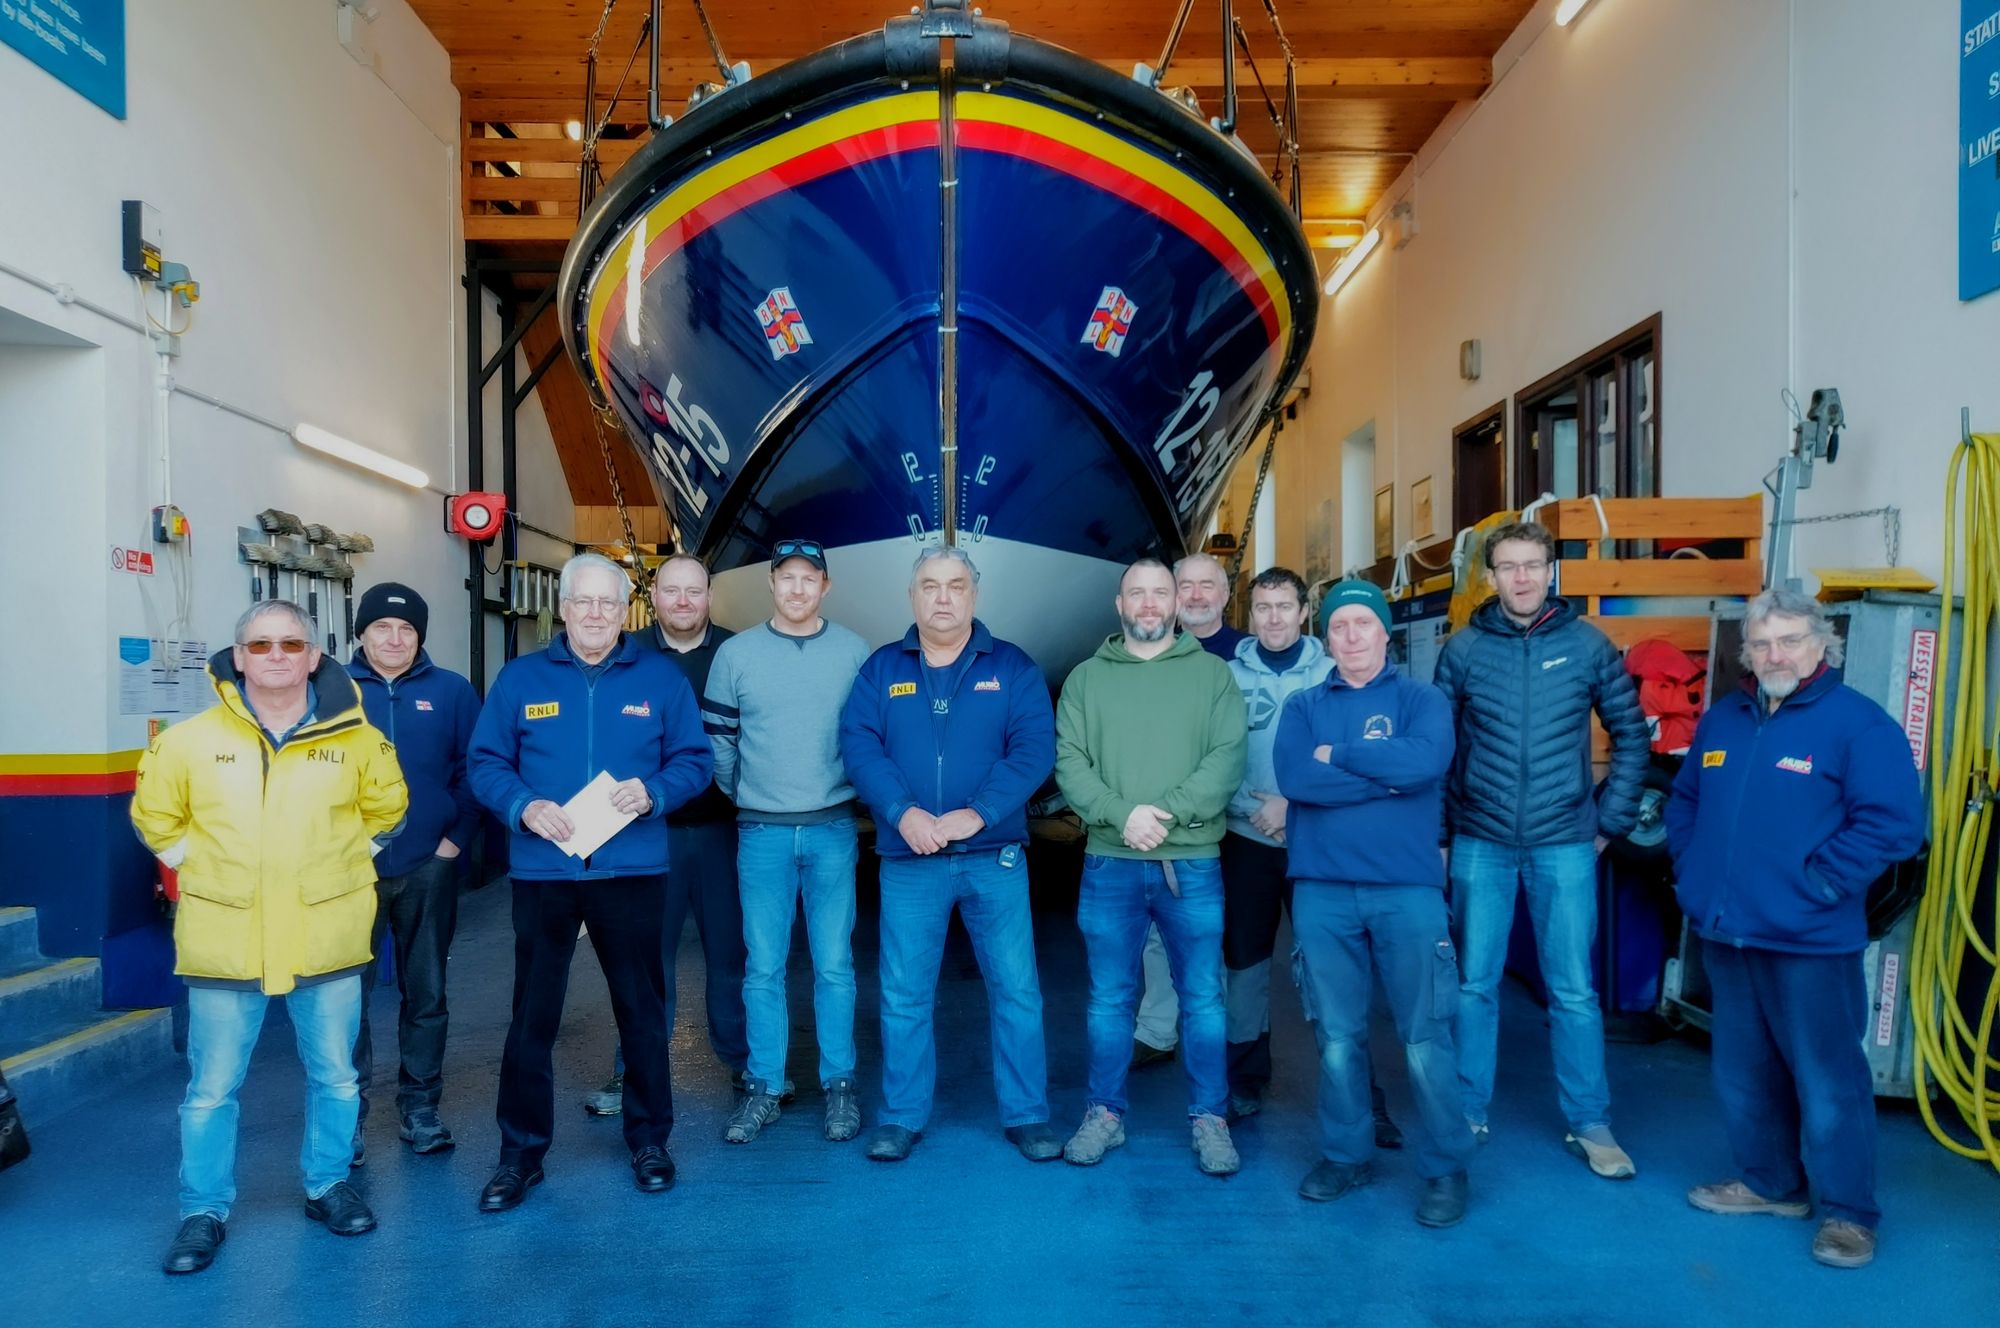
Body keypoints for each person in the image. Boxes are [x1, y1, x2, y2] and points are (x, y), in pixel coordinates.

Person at [133, 600, 409, 1274]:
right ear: (239, 657)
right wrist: (201, 867)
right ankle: (202, 1210)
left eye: (293, 643)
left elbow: (389, 807)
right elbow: (156, 818)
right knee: (211, 1087)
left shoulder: (359, 739)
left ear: (315, 656)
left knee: (337, 1077)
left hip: (325, 932)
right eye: (261, 646)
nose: (278, 656)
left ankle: (327, 1186)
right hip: (226, 937)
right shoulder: (188, 741)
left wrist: (344, 864)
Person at [1667, 588, 1923, 1270]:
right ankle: (1771, 1184)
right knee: (1744, 1072)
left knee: (1827, 1079)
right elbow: (1686, 799)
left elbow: (1894, 824)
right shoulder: (1725, 718)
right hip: (1728, 932)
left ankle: (1849, 1213)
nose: (1775, 653)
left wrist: (1820, 885)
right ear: (1746, 651)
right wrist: (1694, 874)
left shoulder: (1858, 725)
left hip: (1811, 941)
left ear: (1821, 646)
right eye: (1762, 642)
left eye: (1790, 640)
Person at [466, 553, 713, 1212]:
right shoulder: (520, 680)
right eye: (585, 602)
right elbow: (485, 761)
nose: (597, 614)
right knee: (532, 1019)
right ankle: (519, 1155)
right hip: (544, 871)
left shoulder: (660, 680)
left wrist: (654, 792)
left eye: (609, 603)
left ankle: (650, 1140)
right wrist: (522, 805)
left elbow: (696, 760)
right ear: (564, 608)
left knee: (641, 1011)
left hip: (630, 871)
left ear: (623, 610)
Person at [1432, 520, 1650, 1178]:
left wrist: (1606, 823)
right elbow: (1440, 753)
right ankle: (1468, 1110)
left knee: (1574, 990)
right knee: (1474, 985)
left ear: (1551, 571)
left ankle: (1590, 1122)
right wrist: (1442, 835)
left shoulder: (1588, 645)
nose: (1522, 577)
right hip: (1481, 840)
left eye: (1533, 565)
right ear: (1491, 576)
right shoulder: (1463, 650)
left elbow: (1632, 738)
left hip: (1564, 842)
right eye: (1508, 566)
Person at [840, 545, 1061, 1163]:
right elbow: (860, 747)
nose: (943, 597)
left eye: (956, 585)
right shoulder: (882, 670)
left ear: (975, 595)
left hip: (993, 857)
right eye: (930, 586)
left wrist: (978, 813)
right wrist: (903, 812)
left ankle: (1027, 1114)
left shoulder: (1013, 668)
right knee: (905, 992)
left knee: (1016, 989)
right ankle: (902, 1116)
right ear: (912, 597)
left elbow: (1033, 750)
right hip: (910, 857)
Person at [1275, 579, 1473, 1227]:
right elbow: (1297, 777)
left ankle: (1445, 1167)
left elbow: (1426, 764)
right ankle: (1345, 1153)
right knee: (1336, 1036)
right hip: (1323, 891)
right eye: (1339, 626)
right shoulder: (1304, 707)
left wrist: (1347, 759)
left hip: (1408, 892)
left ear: (1384, 632)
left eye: (1364, 623)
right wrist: (1381, 776)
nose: (1352, 636)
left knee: (1425, 1035)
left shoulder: (1422, 698)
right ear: (1324, 635)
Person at [1054, 557, 1247, 1177]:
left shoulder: (1212, 675)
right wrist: (1119, 815)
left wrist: (1161, 815)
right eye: (1135, 593)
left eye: (1159, 593)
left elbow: (1226, 758)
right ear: (1119, 604)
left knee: (1203, 998)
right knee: (1110, 999)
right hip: (1111, 863)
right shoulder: (1086, 679)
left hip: (1190, 864)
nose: (1147, 603)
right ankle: (1104, 1115)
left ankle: (1210, 1119)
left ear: (1174, 605)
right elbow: (1072, 763)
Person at [703, 538, 871, 1145]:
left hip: (832, 828)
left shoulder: (855, 652)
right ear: (771, 585)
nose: (798, 588)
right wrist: (749, 794)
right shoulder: (737, 655)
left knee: (834, 965)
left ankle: (841, 1086)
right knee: (763, 967)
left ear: (825, 587)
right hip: (762, 833)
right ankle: (766, 1085)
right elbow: (719, 743)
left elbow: (869, 736)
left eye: (810, 579)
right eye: (787, 578)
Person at [583, 555, 752, 1117]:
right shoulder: (624, 654)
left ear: (710, 596)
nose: (683, 602)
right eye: (671, 591)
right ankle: (630, 1071)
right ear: (653, 597)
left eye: (694, 591)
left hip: (721, 832)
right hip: (644, 836)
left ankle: (744, 1065)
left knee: (730, 957)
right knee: (646, 960)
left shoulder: (738, 652)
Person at [345, 583, 481, 1163]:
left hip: (429, 864)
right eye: (382, 628)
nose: (395, 639)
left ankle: (420, 1106)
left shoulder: (452, 692)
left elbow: (479, 767)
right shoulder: (331, 692)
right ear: (362, 633)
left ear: (420, 636)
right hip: (346, 873)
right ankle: (345, 1116)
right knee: (343, 998)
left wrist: (454, 841)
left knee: (426, 992)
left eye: (406, 630)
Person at [1131, 552, 1245, 1069]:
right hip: (1168, 826)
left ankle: (1231, 1036)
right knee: (1159, 932)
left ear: (1225, 594)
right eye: (1186, 585)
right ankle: (1157, 1029)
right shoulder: (1147, 653)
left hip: (1242, 824)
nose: (1197, 595)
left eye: (1208, 585)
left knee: (1228, 936)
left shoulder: (1247, 654)